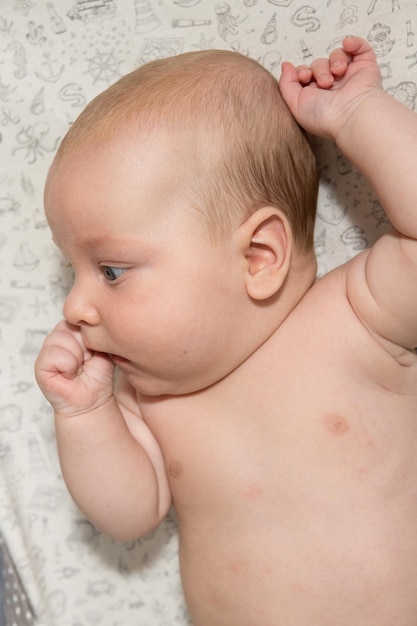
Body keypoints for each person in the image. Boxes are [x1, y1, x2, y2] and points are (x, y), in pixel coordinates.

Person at [35, 36, 417, 625]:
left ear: (259, 256)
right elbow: (128, 514)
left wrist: (356, 114)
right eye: (73, 270)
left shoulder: (356, 318)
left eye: (110, 270)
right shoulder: (150, 400)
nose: (75, 304)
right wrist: (84, 416)